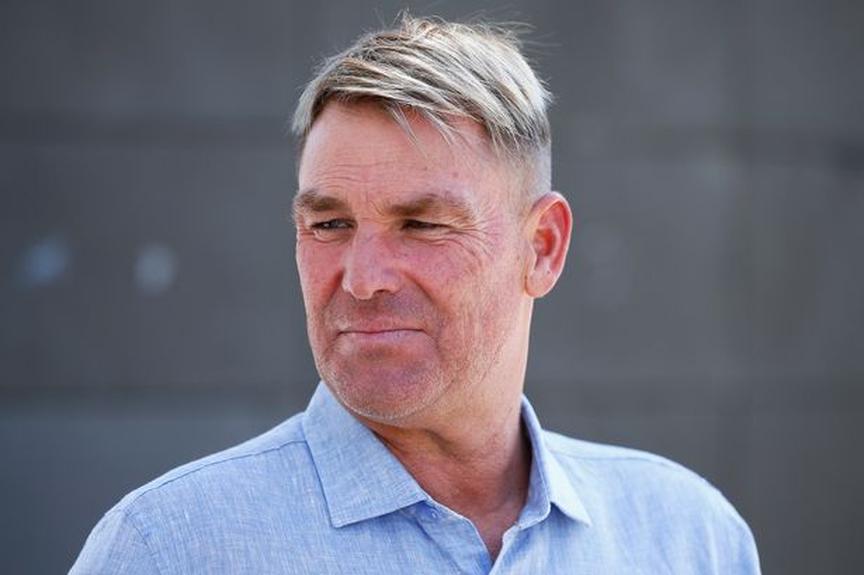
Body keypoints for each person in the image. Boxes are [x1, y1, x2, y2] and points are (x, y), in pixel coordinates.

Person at [71, 15, 760, 574]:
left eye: (422, 225)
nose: (363, 277)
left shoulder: (688, 539)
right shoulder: (169, 549)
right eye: (330, 224)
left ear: (543, 247)